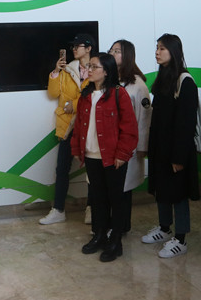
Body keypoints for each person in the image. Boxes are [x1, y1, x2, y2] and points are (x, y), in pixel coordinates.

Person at [71, 53, 138, 262]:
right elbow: (79, 126)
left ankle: (115, 241)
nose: (89, 70)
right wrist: (77, 148)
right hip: (91, 156)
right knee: (97, 199)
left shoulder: (119, 94)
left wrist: (123, 154)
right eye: (89, 67)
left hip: (113, 158)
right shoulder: (86, 95)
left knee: (116, 200)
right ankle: (99, 235)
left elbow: (129, 128)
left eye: (94, 67)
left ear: (106, 71)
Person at [142, 33, 200, 258]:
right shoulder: (163, 77)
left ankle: (181, 238)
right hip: (161, 146)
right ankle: (164, 228)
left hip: (177, 149)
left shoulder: (185, 81)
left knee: (178, 193)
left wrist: (179, 157)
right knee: (163, 189)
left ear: (174, 51)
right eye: (157, 47)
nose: (157, 52)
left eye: (162, 48)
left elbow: (186, 123)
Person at [41, 34, 93, 225]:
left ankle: (92, 209)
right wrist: (56, 71)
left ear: (89, 48)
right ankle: (58, 210)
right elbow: (53, 93)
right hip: (69, 127)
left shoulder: (97, 69)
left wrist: (75, 104)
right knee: (62, 168)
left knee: (93, 171)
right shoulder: (68, 69)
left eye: (78, 46)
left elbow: (97, 95)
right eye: (73, 46)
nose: (74, 49)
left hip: (90, 126)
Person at [108, 40, 151, 234]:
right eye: (111, 50)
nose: (112, 53)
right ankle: (113, 225)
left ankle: (122, 226)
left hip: (129, 145)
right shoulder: (109, 79)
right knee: (113, 186)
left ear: (127, 56)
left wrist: (142, 147)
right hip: (111, 144)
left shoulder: (137, 84)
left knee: (124, 188)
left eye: (117, 51)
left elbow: (144, 118)